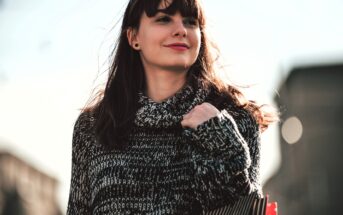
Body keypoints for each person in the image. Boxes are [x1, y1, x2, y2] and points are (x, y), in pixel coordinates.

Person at [66, 0, 278, 214]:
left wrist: (218, 139)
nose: (180, 30)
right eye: (164, 19)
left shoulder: (237, 121)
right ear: (133, 37)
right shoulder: (93, 127)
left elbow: (245, 207)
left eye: (190, 22)